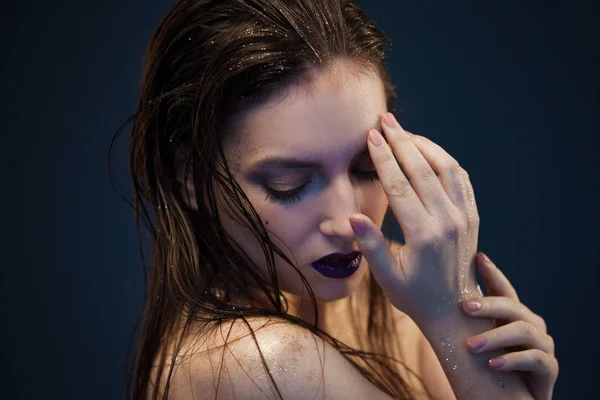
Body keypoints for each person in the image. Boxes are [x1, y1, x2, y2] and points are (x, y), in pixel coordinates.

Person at [111, 0, 558, 399]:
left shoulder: (398, 295)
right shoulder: (257, 362)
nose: (349, 222)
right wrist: (473, 352)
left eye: (367, 168)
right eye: (288, 184)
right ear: (191, 178)